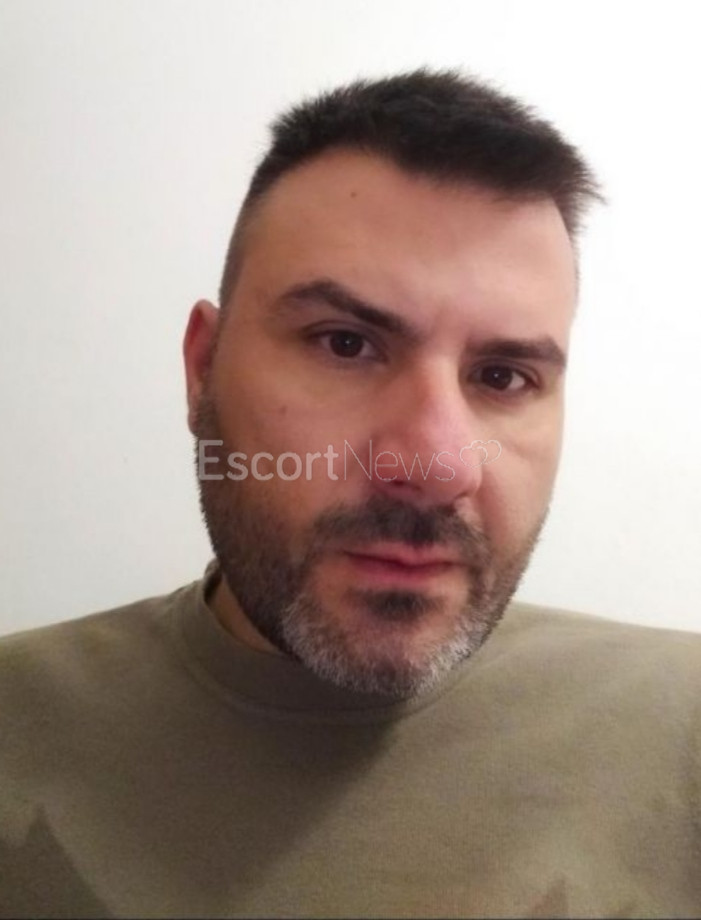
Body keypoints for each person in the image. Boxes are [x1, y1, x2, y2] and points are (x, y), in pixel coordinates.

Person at [1, 68, 699, 920]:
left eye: (502, 376)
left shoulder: (680, 728)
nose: (438, 464)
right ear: (202, 369)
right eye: (344, 343)